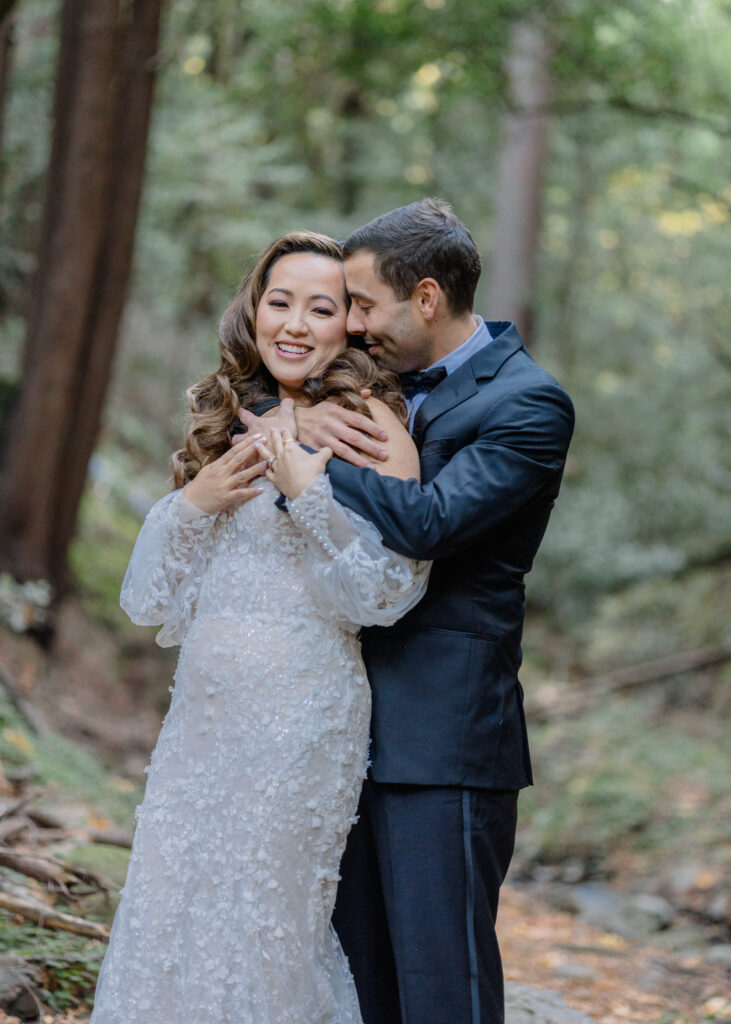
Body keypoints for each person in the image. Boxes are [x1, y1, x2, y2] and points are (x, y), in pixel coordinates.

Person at [240, 199, 575, 1024]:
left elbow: (431, 522)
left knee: (441, 989)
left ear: (425, 298)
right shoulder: (371, 382)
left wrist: (305, 457)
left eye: (361, 303)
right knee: (361, 989)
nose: (349, 325)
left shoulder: (528, 405)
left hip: (443, 742)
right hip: (332, 733)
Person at [89, 231, 430, 1024]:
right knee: (172, 904)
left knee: (264, 922)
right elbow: (149, 603)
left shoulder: (371, 424)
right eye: (280, 302)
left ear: (350, 322)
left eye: (322, 307)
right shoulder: (226, 413)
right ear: (254, 309)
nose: (296, 324)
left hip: (302, 721)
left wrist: (307, 494)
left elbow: (386, 595)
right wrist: (195, 503)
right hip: (200, 721)